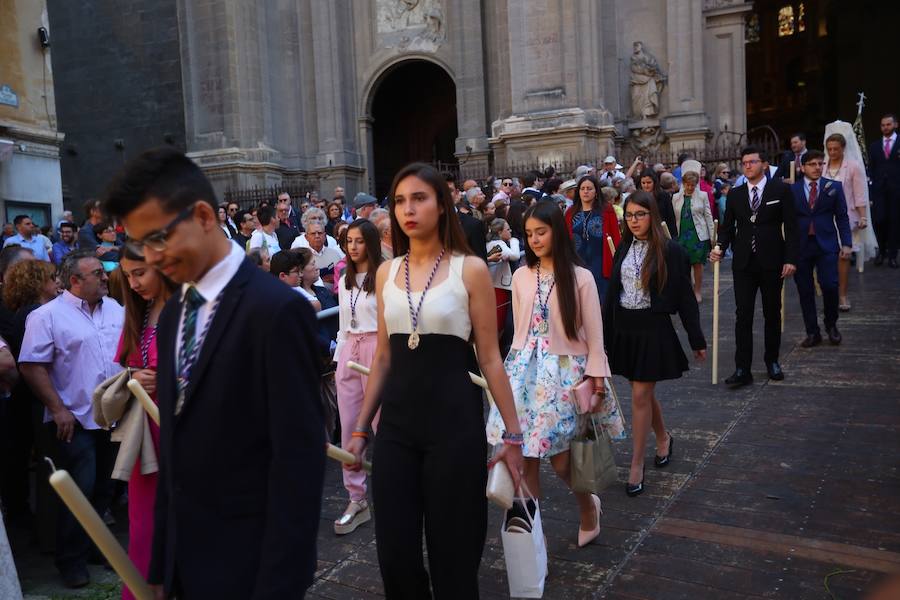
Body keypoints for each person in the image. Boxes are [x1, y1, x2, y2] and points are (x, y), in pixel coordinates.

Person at [102, 147, 325, 598]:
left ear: (204, 215)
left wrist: (278, 586)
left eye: (159, 238)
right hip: (187, 562)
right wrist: (161, 566)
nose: (152, 256)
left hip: (249, 566)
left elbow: (297, 466)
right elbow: (174, 451)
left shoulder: (275, 311)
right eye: (142, 244)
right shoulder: (172, 316)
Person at [344, 162, 523, 598]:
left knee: (455, 555)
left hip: (454, 426)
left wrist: (514, 437)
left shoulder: (471, 269)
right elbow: (384, 358)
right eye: (400, 200)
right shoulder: (386, 272)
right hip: (397, 431)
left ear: (441, 206)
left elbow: (491, 359)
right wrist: (362, 428)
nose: (409, 209)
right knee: (396, 556)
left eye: (419, 198)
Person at [486, 201, 611, 546]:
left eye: (541, 232)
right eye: (528, 234)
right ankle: (531, 542)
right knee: (524, 459)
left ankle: (588, 508)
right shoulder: (522, 275)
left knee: (561, 460)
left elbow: (595, 334)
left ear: (557, 230)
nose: (535, 240)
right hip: (523, 372)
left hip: (565, 372)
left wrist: (597, 380)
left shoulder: (580, 277)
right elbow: (517, 329)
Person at [19, 251, 124, 588]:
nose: (106, 277)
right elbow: (32, 365)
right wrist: (58, 408)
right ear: (75, 281)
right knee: (81, 488)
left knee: (107, 488)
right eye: (97, 273)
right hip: (75, 418)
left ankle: (94, 547)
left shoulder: (115, 309)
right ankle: (71, 561)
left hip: (114, 416)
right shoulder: (46, 316)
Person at [604, 192, 706, 496]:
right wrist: (602, 334)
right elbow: (613, 294)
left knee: (638, 395)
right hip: (626, 328)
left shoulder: (671, 251)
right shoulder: (623, 247)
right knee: (641, 391)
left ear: (653, 216)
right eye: (630, 215)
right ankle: (663, 436)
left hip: (653, 329)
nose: (634, 221)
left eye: (641, 214)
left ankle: (636, 464)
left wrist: (696, 338)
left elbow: (686, 299)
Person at [115, 247, 178, 600]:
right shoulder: (138, 312)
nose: (132, 283)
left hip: (181, 428)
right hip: (144, 437)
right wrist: (134, 375)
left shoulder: (188, 310)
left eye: (139, 273)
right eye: (127, 275)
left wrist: (167, 379)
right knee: (144, 528)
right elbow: (126, 365)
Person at [711, 146, 798, 387]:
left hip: (772, 261)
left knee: (772, 312)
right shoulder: (736, 194)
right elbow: (727, 227)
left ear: (764, 164)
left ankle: (772, 361)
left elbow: (791, 228)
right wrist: (718, 247)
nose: (747, 166)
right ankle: (742, 368)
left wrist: (791, 259)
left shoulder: (780, 189)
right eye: (744, 162)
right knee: (743, 315)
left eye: (752, 162)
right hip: (743, 263)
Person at [333, 219, 383, 535]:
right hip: (349, 351)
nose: (353, 247)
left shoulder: (384, 277)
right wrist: (340, 360)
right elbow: (341, 324)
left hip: (378, 348)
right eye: (349, 240)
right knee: (349, 427)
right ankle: (356, 498)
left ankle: (400, 488)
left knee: (383, 424)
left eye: (359, 241)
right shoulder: (344, 280)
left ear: (371, 243)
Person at [0, 259, 54, 530]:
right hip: (31, 397)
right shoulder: (35, 313)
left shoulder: (22, 311)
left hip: (23, 397)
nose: (58, 282)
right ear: (37, 281)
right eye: (52, 277)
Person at [790, 150, 852, 347]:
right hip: (801, 246)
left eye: (820, 164)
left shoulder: (833, 186)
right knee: (805, 290)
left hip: (826, 244)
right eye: (812, 164)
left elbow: (842, 216)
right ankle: (812, 332)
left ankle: (831, 325)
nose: (817, 167)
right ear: (802, 167)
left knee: (830, 285)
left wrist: (847, 243)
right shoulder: (793, 190)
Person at [825, 125, 877, 309]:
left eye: (836, 149)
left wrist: (863, 217)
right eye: (829, 149)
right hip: (825, 219)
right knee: (828, 258)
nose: (832, 152)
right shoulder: (822, 167)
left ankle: (843, 296)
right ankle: (830, 294)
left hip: (847, 218)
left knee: (844, 256)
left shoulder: (853, 167)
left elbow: (860, 194)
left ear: (843, 148)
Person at [565, 175, 621, 300]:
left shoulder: (606, 210)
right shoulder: (570, 212)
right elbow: (565, 240)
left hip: (600, 263)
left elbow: (615, 237)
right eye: (582, 188)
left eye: (589, 188)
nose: (585, 191)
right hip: (577, 262)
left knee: (601, 302)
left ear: (596, 192)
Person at [672, 164, 715, 303]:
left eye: (693, 185)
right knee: (683, 265)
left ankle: (697, 290)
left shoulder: (702, 196)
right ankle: (688, 291)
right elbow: (674, 217)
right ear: (683, 183)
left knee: (697, 264)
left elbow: (708, 216)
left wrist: (713, 236)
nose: (690, 187)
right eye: (687, 185)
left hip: (698, 235)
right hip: (682, 235)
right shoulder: (675, 198)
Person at [868, 113, 900, 268]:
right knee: (879, 221)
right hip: (879, 190)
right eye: (883, 125)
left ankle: (893, 256)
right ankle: (881, 252)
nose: (885, 127)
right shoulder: (874, 146)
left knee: (895, 222)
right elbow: (871, 168)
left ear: (895, 125)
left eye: (888, 124)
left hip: (897, 190)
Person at [486, 218, 520, 333]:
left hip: (492, 284)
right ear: (500, 232)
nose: (510, 231)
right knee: (499, 319)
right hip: (499, 286)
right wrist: (514, 241)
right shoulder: (498, 244)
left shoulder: (488, 243)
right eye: (507, 229)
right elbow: (515, 255)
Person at [638, 168, 678, 236]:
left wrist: (674, 235)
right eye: (643, 183)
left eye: (649, 182)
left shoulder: (664, 196)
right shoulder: (638, 197)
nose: (646, 186)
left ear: (654, 182)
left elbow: (671, 217)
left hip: (662, 231)